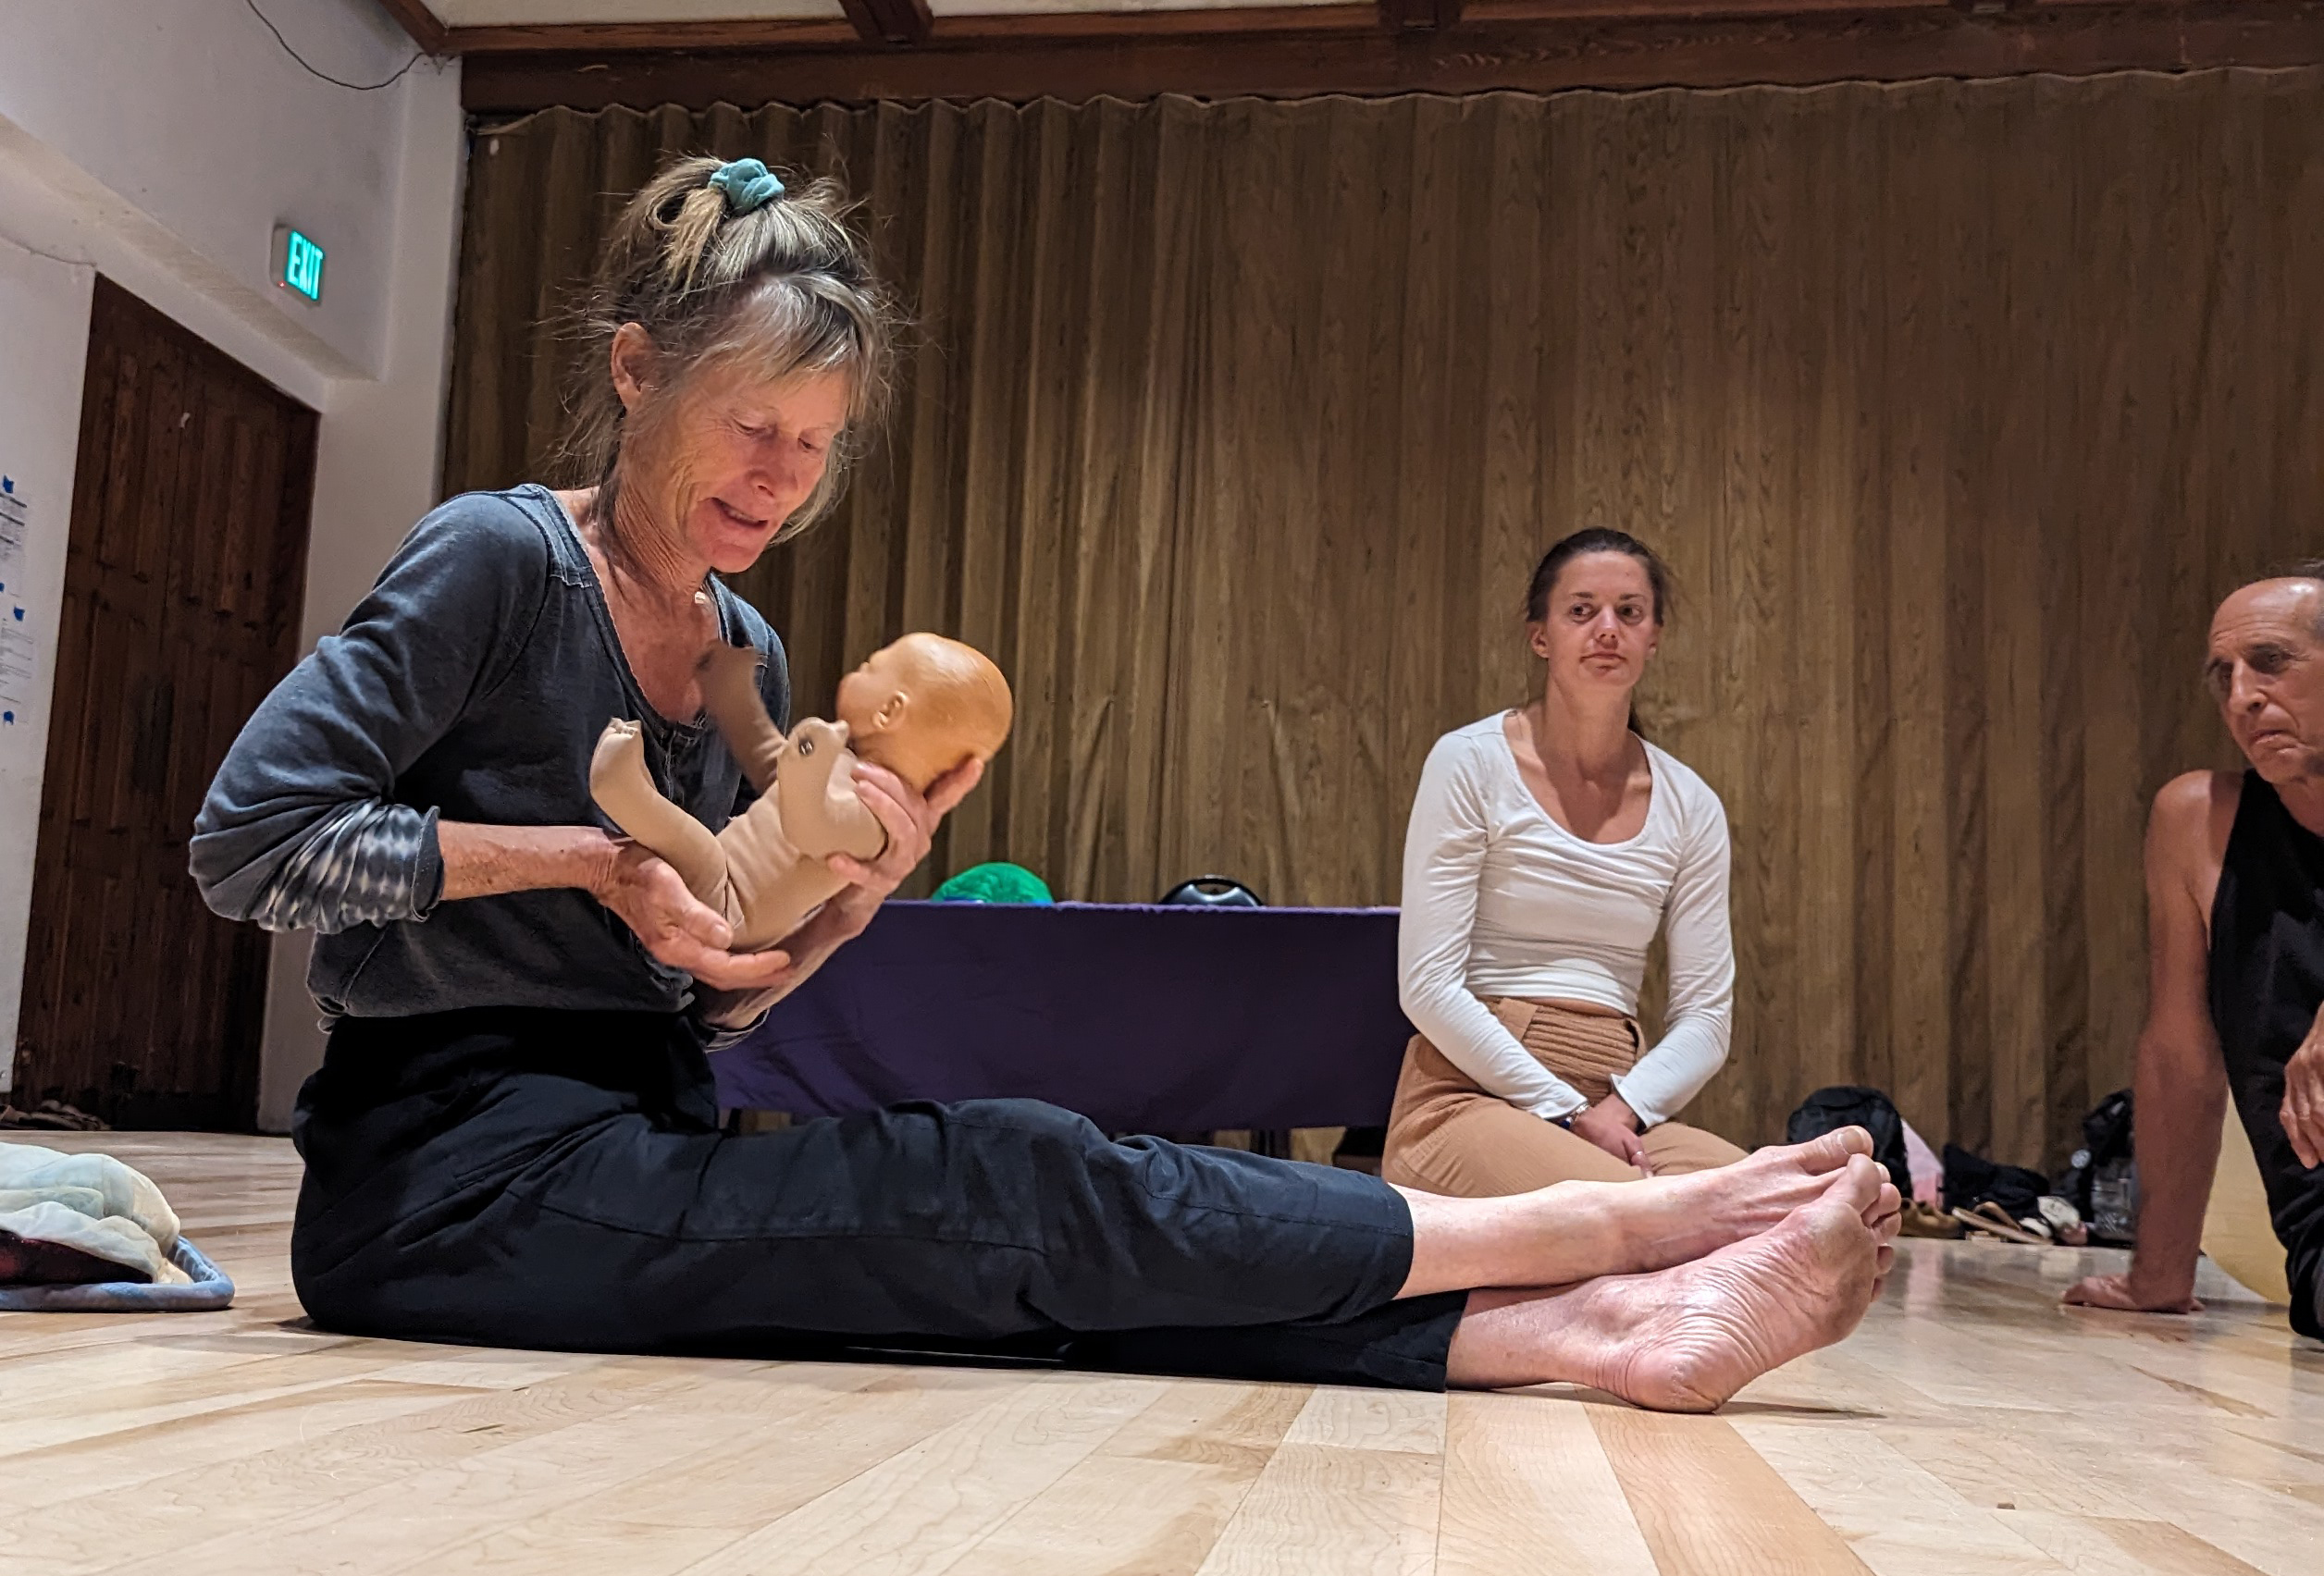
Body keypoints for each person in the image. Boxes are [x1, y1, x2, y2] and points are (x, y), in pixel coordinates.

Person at [189, 155, 1900, 1410]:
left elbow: (692, 1004)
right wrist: (583, 853)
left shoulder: (747, 656)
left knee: (1008, 1244)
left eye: (817, 439)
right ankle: (1610, 1231)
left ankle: (1586, 1334)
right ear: (636, 370)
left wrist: (843, 914)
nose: (780, 475)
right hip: (442, 1185)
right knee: (1003, 1174)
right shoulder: (500, 558)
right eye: (746, 421)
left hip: (634, 1141)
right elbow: (249, 841)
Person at [1385, 531, 1747, 1196]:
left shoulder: (1691, 803)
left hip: (1616, 1108)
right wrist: (1566, 1109)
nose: (1607, 629)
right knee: (1644, 1209)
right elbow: (1428, 984)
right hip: (1469, 1099)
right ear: (1540, 636)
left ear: (1654, 637)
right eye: (1581, 611)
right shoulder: (1470, 762)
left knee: (1811, 1204)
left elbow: (1705, 1019)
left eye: (1629, 612)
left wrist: (1620, 1109)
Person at [2064, 569, 2324, 1339]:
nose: (2242, 696)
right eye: (2224, 677)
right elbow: (2181, 1052)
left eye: (2271, 662)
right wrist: (2158, 1277)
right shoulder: (2198, 822)